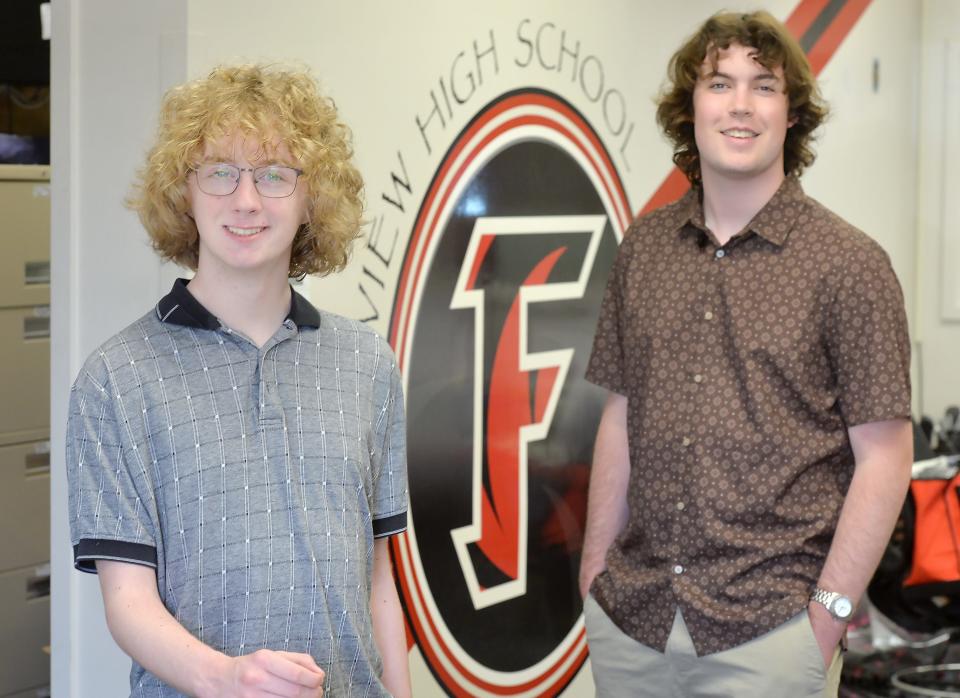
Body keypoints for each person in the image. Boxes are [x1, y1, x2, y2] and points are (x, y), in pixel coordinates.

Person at [579, 11, 912, 697]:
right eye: (719, 83)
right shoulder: (643, 250)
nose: (739, 105)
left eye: (763, 86)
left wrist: (829, 619)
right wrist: (593, 578)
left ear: (791, 114)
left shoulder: (849, 265)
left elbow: (886, 457)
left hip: (772, 636)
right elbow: (621, 414)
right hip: (632, 622)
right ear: (690, 107)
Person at [66, 64, 411, 698]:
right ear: (184, 193)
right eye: (220, 172)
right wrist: (227, 678)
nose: (246, 200)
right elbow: (128, 603)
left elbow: (380, 582)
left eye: (276, 174)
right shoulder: (116, 379)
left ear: (312, 199)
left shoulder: (367, 362)